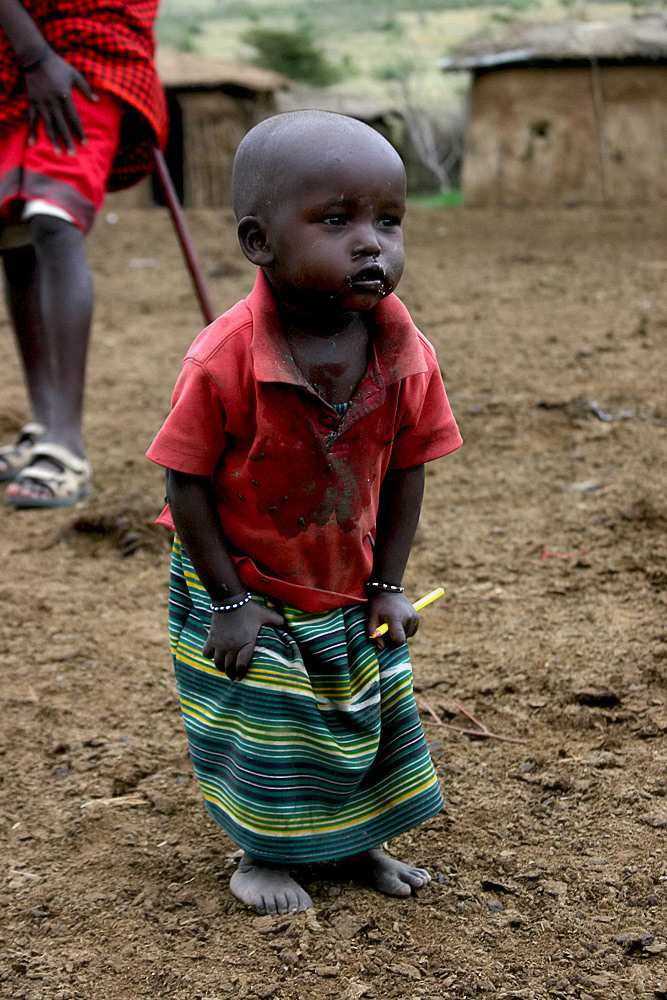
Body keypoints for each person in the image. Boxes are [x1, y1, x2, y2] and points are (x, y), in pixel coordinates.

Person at [147, 110, 463, 915]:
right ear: (260, 242)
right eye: (336, 220)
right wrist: (228, 603)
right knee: (271, 725)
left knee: (366, 714)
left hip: (343, 577)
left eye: (388, 221)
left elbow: (407, 469)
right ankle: (261, 853)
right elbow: (183, 483)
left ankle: (359, 841)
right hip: (239, 578)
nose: (372, 244)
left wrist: (389, 583)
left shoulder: (403, 351)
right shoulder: (223, 357)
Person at [0, 0, 167, 507]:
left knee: (54, 220)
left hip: (96, 48)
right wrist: (33, 55)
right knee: (13, 238)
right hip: (18, 47)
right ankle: (44, 426)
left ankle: (66, 446)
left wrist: (41, 60)